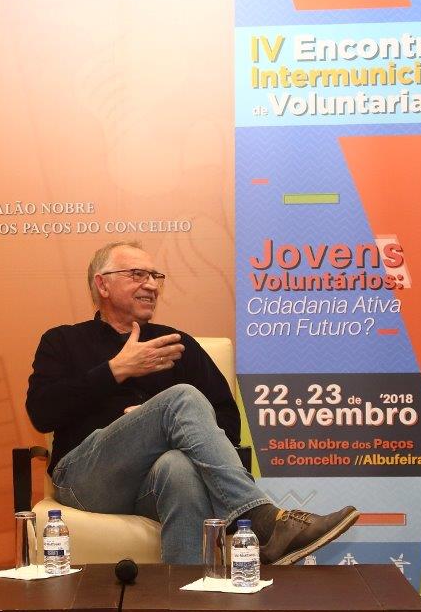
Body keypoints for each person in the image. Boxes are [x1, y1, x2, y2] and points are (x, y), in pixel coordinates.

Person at [27, 241, 361, 568]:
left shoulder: (177, 345)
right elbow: (42, 412)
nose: (151, 285)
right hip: (87, 479)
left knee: (179, 468)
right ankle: (260, 518)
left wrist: (162, 426)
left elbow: (228, 420)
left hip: (152, 485)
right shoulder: (63, 341)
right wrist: (116, 370)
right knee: (181, 397)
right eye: (137, 274)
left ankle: (187, 595)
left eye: (155, 277)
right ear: (103, 284)